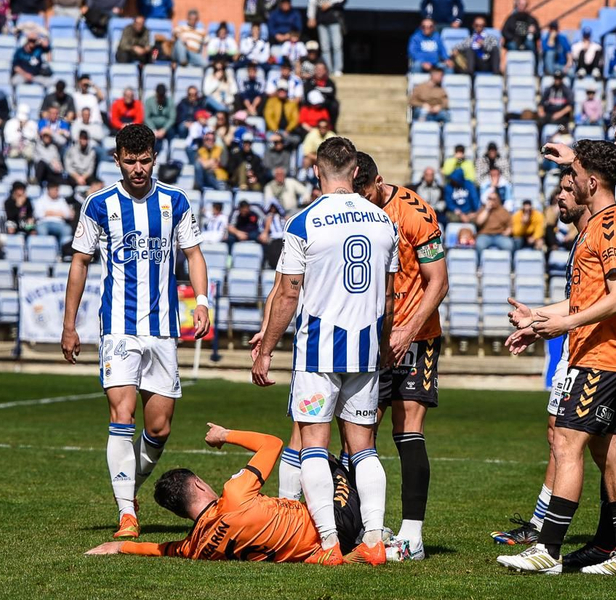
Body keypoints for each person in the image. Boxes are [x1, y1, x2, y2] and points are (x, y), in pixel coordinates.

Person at [495, 141, 616, 575]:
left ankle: (549, 547)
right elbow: (583, 300)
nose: (569, 180)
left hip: (601, 357)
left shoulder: (610, 226)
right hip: (600, 355)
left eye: (574, 173)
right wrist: (537, 317)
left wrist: (564, 326)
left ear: (591, 182)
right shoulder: (597, 224)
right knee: (611, 454)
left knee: (565, 442)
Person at [249, 136, 398, 566]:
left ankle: (329, 543)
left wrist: (266, 349)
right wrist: (383, 342)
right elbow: (389, 296)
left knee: (313, 444)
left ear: (317, 172)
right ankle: (372, 539)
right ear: (355, 172)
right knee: (364, 447)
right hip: (366, 349)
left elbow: (287, 294)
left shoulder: (303, 222)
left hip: (319, 353)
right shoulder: (382, 221)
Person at [59, 123, 211, 537]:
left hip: (162, 330)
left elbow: (194, 255)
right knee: (121, 414)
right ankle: (127, 512)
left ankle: (129, 486)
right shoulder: (98, 204)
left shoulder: (175, 202)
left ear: (155, 158)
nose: (138, 168)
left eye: (145, 160)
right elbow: (79, 263)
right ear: (117, 159)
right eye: (130, 161)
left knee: (159, 427)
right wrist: (69, 325)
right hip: (119, 331)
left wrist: (201, 301)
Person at [351, 153, 449, 561]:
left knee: (408, 427)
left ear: (379, 181)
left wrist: (407, 330)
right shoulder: (350, 211)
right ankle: (362, 527)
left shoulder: (414, 212)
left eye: (367, 193)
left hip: (416, 335)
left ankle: (412, 537)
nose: (363, 202)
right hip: (367, 338)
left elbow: (438, 282)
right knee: (359, 433)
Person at [83, 423, 369, 562]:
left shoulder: (195, 548)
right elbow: (272, 443)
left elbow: (161, 549)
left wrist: (121, 546)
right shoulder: (233, 495)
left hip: (318, 547)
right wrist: (224, 435)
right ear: (198, 485)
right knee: (323, 457)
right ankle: (373, 536)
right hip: (335, 525)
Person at [306, 0, 347, 74]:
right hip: (321, 20)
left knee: (337, 45)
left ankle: (338, 69)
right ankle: (327, 69)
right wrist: (311, 17)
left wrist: (330, 3)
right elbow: (312, 2)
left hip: (335, 19)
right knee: (324, 47)